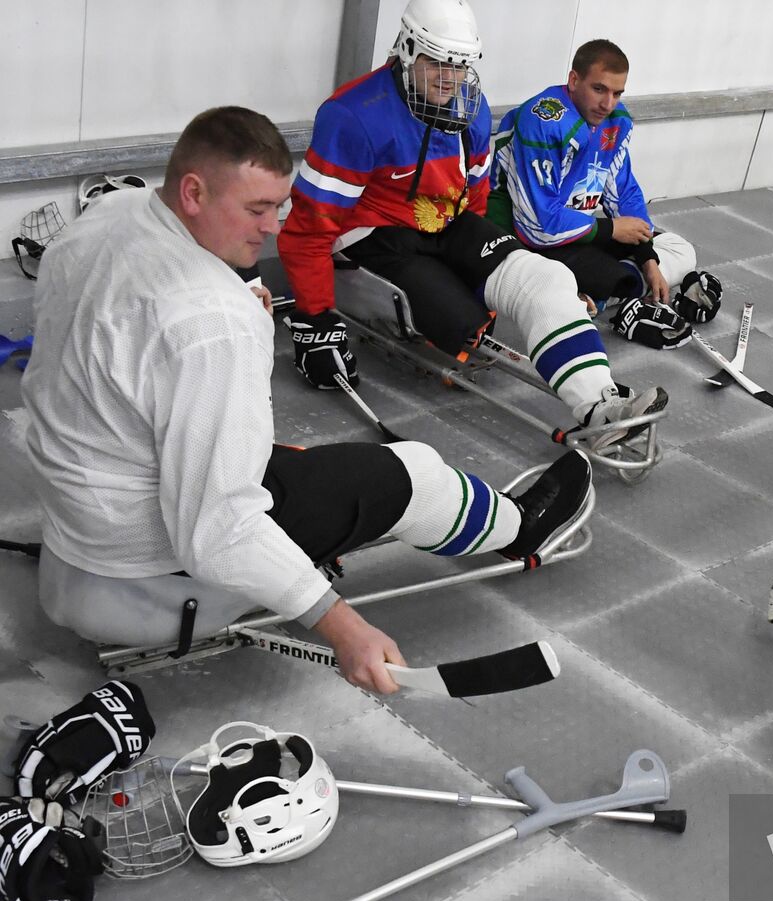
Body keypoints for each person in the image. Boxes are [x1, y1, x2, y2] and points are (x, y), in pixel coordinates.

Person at [21, 106, 592, 696]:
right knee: (414, 473)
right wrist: (342, 626)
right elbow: (218, 530)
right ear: (192, 192)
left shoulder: (106, 216)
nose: (273, 227)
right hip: (149, 571)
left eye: (278, 205)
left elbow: (114, 364)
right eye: (256, 209)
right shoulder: (212, 320)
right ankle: (522, 529)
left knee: (277, 457)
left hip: (81, 531)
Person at [277, 0, 666, 447]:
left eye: (461, 65)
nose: (450, 77)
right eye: (437, 61)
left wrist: (483, 265)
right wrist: (316, 319)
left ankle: (601, 407)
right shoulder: (354, 116)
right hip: (376, 234)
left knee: (546, 278)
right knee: (461, 323)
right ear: (406, 50)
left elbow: (475, 194)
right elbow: (308, 226)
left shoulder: (471, 108)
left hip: (449, 223)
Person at [487, 38, 723, 343]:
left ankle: (611, 297)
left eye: (617, 93)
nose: (608, 103)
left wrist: (647, 257)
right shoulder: (543, 121)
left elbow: (623, 192)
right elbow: (538, 227)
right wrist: (611, 229)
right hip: (521, 239)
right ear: (574, 80)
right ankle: (613, 298)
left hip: (574, 232)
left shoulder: (614, 120)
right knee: (604, 277)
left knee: (680, 250)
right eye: (599, 89)